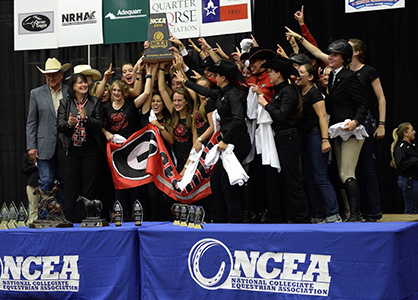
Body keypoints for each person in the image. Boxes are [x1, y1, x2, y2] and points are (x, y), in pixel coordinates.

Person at [184, 59, 251, 223]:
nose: (213, 77)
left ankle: (236, 219)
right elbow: (204, 91)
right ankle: (219, 219)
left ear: (223, 77)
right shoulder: (221, 92)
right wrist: (185, 82)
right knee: (216, 180)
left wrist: (225, 141)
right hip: (228, 143)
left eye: (215, 75)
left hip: (237, 141)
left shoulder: (234, 93)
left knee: (228, 181)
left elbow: (238, 119)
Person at [257, 56, 310, 223]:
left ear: (278, 73)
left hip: (289, 137)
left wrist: (266, 104)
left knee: (293, 178)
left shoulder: (288, 90)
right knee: (284, 179)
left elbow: (281, 115)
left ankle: (303, 217)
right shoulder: (279, 90)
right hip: (280, 138)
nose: (269, 75)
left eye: (271, 72)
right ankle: (290, 215)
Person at [102, 64, 155, 221]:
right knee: (119, 186)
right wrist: (106, 133)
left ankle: (140, 219)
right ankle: (122, 219)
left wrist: (149, 74)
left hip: (132, 152)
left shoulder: (131, 105)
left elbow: (146, 92)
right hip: (116, 153)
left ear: (125, 92)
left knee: (135, 185)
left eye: (119, 90)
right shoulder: (105, 108)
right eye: (114, 91)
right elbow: (99, 126)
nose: (117, 93)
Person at [325, 40, 368, 222]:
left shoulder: (349, 77)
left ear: (344, 58)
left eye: (335, 55)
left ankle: (356, 215)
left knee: (347, 173)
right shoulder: (334, 77)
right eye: (330, 54)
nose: (331, 57)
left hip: (351, 131)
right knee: (341, 174)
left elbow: (363, 103)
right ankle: (351, 213)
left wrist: (356, 121)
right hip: (338, 131)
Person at [56, 73, 104, 223]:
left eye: (85, 82)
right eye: (79, 83)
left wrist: (86, 119)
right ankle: (72, 220)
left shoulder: (95, 102)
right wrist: (70, 123)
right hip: (70, 151)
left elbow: (100, 124)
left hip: (90, 151)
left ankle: (88, 220)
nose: (83, 85)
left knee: (89, 188)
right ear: (73, 87)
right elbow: (60, 126)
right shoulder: (65, 102)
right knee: (71, 188)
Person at [297, 64, 341, 223]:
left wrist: (324, 140)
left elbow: (322, 117)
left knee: (320, 177)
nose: (298, 74)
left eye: (301, 72)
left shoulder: (314, 93)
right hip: (304, 138)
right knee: (308, 178)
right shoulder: (299, 93)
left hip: (316, 136)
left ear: (310, 77)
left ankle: (333, 214)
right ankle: (317, 215)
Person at [349, 38, 386, 222]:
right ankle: (357, 212)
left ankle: (373, 212)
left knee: (367, 167)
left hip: (366, 121)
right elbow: (319, 54)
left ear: (357, 52)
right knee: (350, 169)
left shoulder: (368, 71)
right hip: (348, 122)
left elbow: (381, 98)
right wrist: (301, 32)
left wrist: (381, 124)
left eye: (348, 47)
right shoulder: (344, 71)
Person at [26, 57, 70, 201]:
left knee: (65, 181)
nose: (51, 77)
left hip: (66, 145)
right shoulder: (36, 94)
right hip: (44, 145)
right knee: (45, 181)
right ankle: (44, 218)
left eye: (54, 74)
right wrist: (31, 146)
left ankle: (63, 215)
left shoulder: (69, 91)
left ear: (61, 74)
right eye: (48, 75)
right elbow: (31, 122)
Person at [391, 123, 418, 214]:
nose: (414, 132)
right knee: (411, 209)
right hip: (408, 181)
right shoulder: (401, 148)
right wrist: (415, 160)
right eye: (412, 130)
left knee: (414, 208)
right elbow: (400, 164)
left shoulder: (412, 145)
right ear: (405, 133)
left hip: (414, 179)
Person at [21, 152, 40, 223]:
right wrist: (34, 166)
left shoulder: (44, 153)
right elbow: (24, 170)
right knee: (33, 204)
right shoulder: (27, 156)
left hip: (44, 183)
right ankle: (33, 221)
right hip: (32, 183)